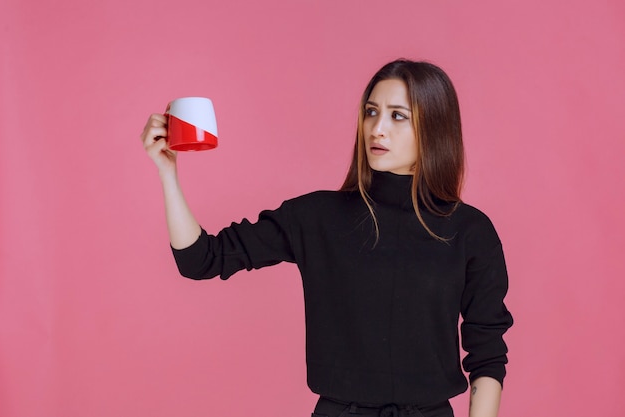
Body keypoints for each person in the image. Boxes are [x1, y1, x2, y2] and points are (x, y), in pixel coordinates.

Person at [140, 59, 513, 417]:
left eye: (397, 116)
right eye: (371, 112)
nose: (376, 128)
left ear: (434, 128)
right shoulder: (316, 217)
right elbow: (201, 259)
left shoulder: (470, 231)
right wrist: (167, 173)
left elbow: (487, 353)